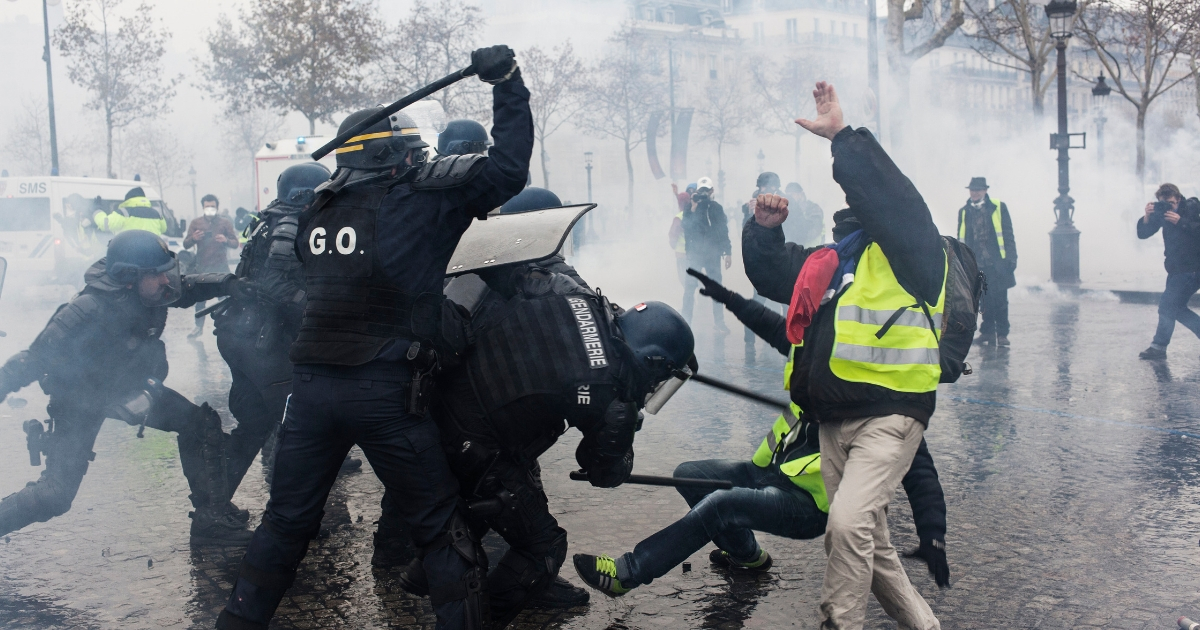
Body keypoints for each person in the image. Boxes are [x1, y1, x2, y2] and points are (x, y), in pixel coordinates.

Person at [216, 44, 532, 630]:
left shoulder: (316, 211)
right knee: (440, 527)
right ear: (393, 158)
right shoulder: (416, 204)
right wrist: (508, 84)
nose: (417, 161)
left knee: (285, 524)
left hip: (310, 393)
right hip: (385, 391)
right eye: (410, 153)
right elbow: (509, 168)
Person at [572, 251, 950, 601]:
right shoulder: (828, 361)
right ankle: (747, 555)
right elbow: (774, 328)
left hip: (809, 504)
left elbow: (921, 473)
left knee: (722, 504)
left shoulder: (891, 406)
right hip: (766, 472)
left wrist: (933, 534)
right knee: (688, 474)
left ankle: (630, 571)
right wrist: (730, 299)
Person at [742, 82, 945, 630]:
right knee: (867, 541)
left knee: (847, 526)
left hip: (891, 416)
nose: (855, 207)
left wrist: (841, 137)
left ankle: (838, 622)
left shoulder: (916, 253)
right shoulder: (831, 259)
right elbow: (771, 272)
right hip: (834, 420)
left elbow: (893, 197)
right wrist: (764, 230)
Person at [399, 267, 694, 628]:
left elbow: (510, 281)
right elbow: (602, 470)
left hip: (436, 399)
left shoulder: (575, 294)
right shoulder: (609, 388)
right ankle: (474, 619)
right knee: (543, 546)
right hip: (472, 441)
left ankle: (423, 574)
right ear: (653, 361)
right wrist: (626, 423)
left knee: (520, 480)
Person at [372, 186, 593, 612]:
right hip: (481, 410)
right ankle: (499, 587)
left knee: (501, 484)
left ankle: (421, 566)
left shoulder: (477, 262)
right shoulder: (519, 273)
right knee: (507, 497)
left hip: (469, 404)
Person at [0, 230, 254, 545]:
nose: (166, 282)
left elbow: (188, 286)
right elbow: (33, 359)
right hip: (79, 400)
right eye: (157, 275)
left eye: (166, 272)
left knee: (200, 424)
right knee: (55, 495)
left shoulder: (152, 291)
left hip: (131, 386)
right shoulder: (88, 308)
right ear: (129, 278)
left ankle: (210, 519)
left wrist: (228, 283)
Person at [210, 163, 333, 523]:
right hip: (263, 342)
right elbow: (273, 285)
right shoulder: (291, 222)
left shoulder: (272, 218)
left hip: (246, 337)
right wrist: (316, 308)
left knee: (255, 426)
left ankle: (212, 509)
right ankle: (291, 518)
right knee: (297, 426)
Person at [1138, 183, 1200, 359]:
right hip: (1175, 269)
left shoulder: (1192, 209)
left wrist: (1181, 222)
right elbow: (1143, 234)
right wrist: (1147, 216)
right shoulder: (1162, 213)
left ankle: (1158, 347)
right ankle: (1159, 347)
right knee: (1176, 308)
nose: (1168, 207)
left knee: (1167, 305)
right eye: (1163, 203)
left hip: (1192, 269)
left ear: (1179, 199)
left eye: (1171, 203)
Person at [957, 177, 1016, 348]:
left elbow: (1008, 234)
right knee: (984, 300)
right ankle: (988, 332)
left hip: (998, 264)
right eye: (972, 190)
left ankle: (1003, 334)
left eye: (978, 190)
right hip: (977, 264)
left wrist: (1012, 258)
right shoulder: (964, 211)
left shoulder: (998, 207)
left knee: (1000, 300)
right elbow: (962, 238)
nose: (974, 193)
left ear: (985, 191)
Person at [739, 173, 785, 365]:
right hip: (762, 262)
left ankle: (789, 337)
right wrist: (751, 216)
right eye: (761, 188)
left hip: (781, 259)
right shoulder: (753, 203)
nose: (763, 191)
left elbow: (796, 226)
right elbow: (747, 232)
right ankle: (749, 338)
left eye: (766, 187)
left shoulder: (784, 201)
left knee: (787, 302)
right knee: (758, 301)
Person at [680, 176, 731, 334]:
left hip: (712, 254)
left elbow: (723, 231)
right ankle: (685, 322)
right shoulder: (690, 207)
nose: (703, 194)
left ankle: (719, 322)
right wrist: (694, 208)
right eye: (700, 191)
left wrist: (728, 252)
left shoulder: (716, 208)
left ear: (711, 191)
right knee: (689, 288)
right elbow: (685, 227)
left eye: (706, 191)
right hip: (694, 254)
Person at [186, 194, 240, 338]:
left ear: (217, 207)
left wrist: (226, 240)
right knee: (199, 300)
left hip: (221, 267)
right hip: (202, 267)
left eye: (213, 207)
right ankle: (198, 327)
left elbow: (235, 243)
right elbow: (186, 244)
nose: (210, 209)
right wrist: (194, 238)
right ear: (203, 207)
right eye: (207, 206)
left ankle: (228, 327)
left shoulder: (224, 223)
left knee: (224, 300)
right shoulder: (196, 223)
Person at [91, 187, 168, 236]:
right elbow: (164, 229)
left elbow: (105, 224)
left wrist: (97, 210)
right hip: (151, 256)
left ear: (128, 200)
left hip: (128, 257)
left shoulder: (124, 213)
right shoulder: (157, 214)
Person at [668, 183, 696, 293]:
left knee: (684, 280)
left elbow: (673, 236)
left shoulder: (679, 218)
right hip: (694, 254)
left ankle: (690, 304)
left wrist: (673, 245)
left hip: (681, 254)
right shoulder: (694, 214)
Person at [783, 182, 825, 247]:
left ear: (801, 194)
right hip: (797, 250)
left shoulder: (813, 208)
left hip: (812, 250)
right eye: (788, 195)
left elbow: (813, 232)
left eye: (792, 194)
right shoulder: (788, 211)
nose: (790, 197)